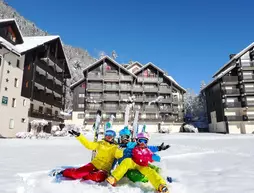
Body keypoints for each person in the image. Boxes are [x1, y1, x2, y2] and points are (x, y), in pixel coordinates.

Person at [55, 127, 123, 182]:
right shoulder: (100, 143)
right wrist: (79, 136)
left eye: (111, 134)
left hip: (104, 169)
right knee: (76, 174)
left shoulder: (115, 147)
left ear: (114, 136)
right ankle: (64, 172)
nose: (109, 136)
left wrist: (119, 148)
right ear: (105, 135)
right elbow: (89, 145)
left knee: (98, 177)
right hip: (94, 165)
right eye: (107, 134)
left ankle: (85, 174)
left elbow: (118, 156)